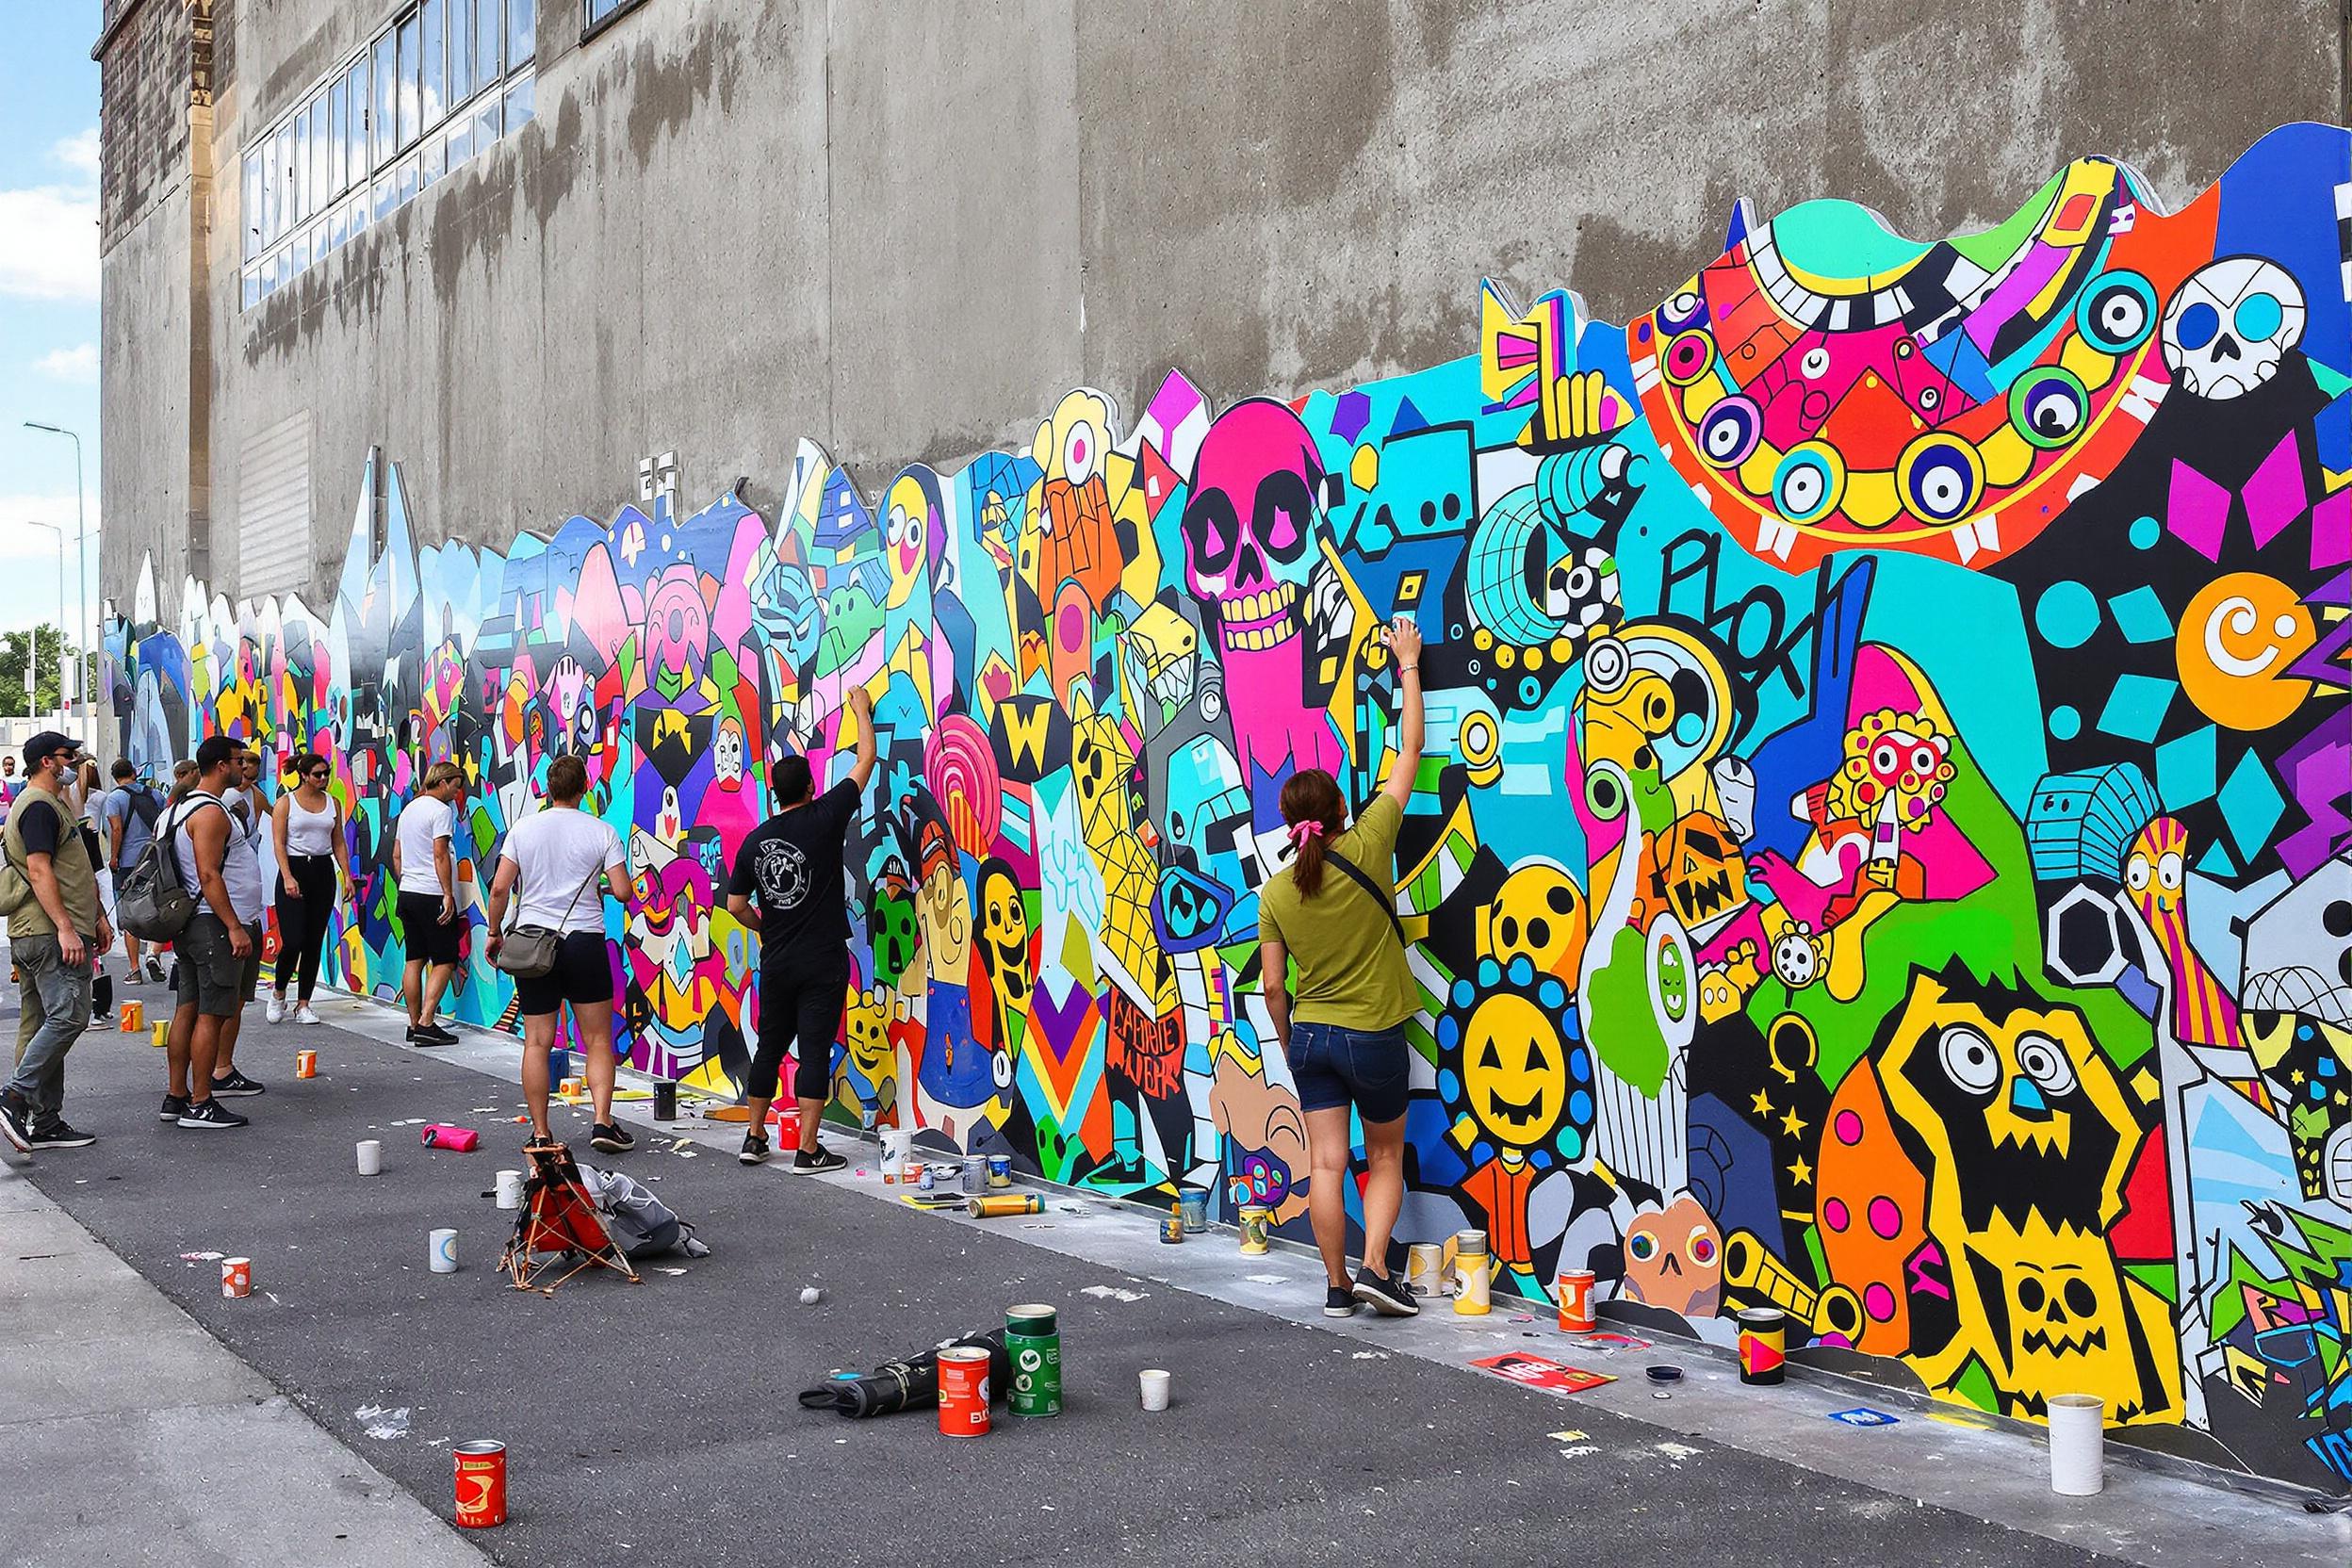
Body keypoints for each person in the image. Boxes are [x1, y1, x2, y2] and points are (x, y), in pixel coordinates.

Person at [1257, 616, 1428, 1319]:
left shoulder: (1274, 891)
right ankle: (1377, 1268)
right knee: (1382, 1158)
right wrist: (1408, 663)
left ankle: (1334, 1289)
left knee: (1325, 1163)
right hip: (1374, 1034)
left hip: (1311, 1039)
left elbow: (1272, 985)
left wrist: (1291, 1030)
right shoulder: (1371, 841)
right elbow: (1410, 747)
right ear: (1338, 811)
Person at [725, 685, 878, 1169]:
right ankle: (808, 1150)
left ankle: (754, 1137)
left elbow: (734, 904)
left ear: (774, 793)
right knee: (814, 1050)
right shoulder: (826, 816)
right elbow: (866, 759)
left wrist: (766, 927)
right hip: (823, 958)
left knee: (769, 1045)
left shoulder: (755, 841)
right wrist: (859, 711)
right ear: (811, 787)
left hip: (779, 959)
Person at [485, 755, 632, 1152]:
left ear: (548, 790)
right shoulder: (602, 832)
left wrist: (495, 932)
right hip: (584, 941)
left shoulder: (523, 829)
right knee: (598, 1039)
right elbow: (622, 891)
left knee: (537, 1041)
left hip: (533, 942)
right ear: (584, 787)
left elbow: (500, 889)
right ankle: (602, 1121)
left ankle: (541, 1132)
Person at [0, 732, 111, 1151]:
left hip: (38, 931)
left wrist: (96, 916)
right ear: (47, 761)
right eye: (69, 757)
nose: (76, 764)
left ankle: (44, 1120)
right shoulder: (39, 806)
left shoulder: (48, 805)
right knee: (69, 1016)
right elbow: (40, 869)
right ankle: (14, 1097)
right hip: (48, 933)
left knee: (40, 1024)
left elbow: (70, 870)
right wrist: (67, 927)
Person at [161, 735, 268, 1128]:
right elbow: (208, 875)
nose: (245, 767)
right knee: (212, 1014)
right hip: (213, 926)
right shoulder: (210, 812)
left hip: (192, 925)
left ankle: (177, 1096)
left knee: (187, 1010)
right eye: (239, 761)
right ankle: (201, 1102)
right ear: (222, 765)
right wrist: (234, 926)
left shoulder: (175, 810)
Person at [267, 752, 349, 1025]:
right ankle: (279, 992)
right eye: (317, 774)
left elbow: (338, 842)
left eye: (326, 773)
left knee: (314, 940)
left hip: (322, 869)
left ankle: (304, 1003)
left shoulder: (333, 803)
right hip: (295, 868)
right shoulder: (285, 804)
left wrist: (346, 875)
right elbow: (278, 843)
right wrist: (288, 876)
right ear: (303, 775)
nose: (323, 778)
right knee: (293, 940)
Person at [393, 760, 466, 1045]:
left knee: (414, 959)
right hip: (431, 893)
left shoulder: (410, 809)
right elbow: (440, 854)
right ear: (444, 782)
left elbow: (397, 854)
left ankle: (413, 1025)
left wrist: (407, 881)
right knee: (445, 960)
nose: (457, 794)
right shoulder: (440, 811)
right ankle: (426, 1022)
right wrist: (447, 893)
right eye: (456, 787)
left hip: (408, 892)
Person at [102, 759, 170, 983]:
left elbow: (116, 828)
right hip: (153, 858)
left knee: (129, 913)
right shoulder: (154, 795)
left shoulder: (115, 798)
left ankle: (134, 969)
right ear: (133, 772)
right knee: (157, 906)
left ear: (114, 777)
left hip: (128, 862)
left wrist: (114, 857)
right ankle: (153, 954)